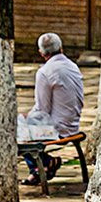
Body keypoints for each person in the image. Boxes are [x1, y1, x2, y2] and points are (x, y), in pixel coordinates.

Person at [24, 32, 84, 185]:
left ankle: (43, 164)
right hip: (73, 124)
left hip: (58, 130)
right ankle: (40, 168)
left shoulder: (44, 72)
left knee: (16, 130)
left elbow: (42, 110)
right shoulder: (73, 66)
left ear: (41, 53)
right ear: (61, 48)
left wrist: (26, 117)